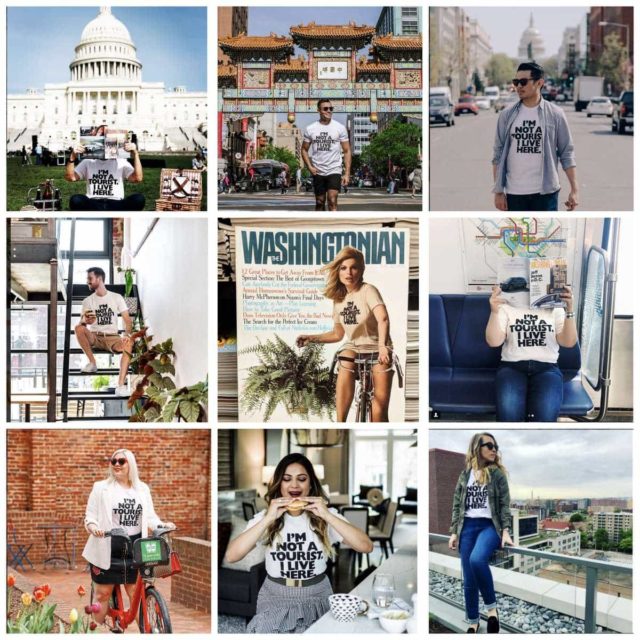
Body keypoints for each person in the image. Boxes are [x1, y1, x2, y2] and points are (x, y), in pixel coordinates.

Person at [225, 453, 372, 633]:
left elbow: (366, 546)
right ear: (280, 485)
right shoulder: (266, 518)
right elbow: (232, 556)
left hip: (318, 596)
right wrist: (268, 518)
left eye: (301, 479)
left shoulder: (327, 515)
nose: (294, 485)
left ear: (310, 485)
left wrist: (326, 515)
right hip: (275, 597)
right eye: (287, 479)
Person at [296, 246, 394, 422]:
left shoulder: (368, 290)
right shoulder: (338, 299)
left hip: (378, 347)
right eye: (343, 268)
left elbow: (383, 319)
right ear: (338, 271)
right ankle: (340, 423)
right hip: (355, 347)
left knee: (379, 410)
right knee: (345, 356)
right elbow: (337, 334)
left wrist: (383, 347)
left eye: (354, 267)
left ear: (361, 270)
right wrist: (311, 338)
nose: (349, 272)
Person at [82, 448, 174, 625]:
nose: (116, 464)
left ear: (130, 464)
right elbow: (90, 516)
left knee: (135, 594)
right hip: (108, 545)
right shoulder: (101, 488)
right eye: (113, 461)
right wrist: (93, 527)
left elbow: (149, 517)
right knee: (102, 593)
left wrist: (163, 525)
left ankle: (147, 629)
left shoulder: (142, 489)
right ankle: (97, 630)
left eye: (121, 461)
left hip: (135, 547)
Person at [492, 62, 578, 212]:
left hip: (546, 193)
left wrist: (574, 190)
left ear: (540, 83)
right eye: (516, 82)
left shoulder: (556, 114)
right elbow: (498, 154)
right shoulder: (506, 115)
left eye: (523, 82)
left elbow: (567, 153)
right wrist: (498, 192)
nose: (519, 86)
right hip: (515, 193)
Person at [448, 432, 512, 634]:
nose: (494, 449)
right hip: (467, 526)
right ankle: (473, 621)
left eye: (496, 447)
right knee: (468, 578)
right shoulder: (465, 474)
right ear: (477, 447)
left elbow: (504, 505)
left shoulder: (498, 475)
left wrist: (506, 530)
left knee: (477, 560)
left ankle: (492, 611)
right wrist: (454, 532)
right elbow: (457, 504)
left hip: (489, 526)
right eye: (489, 445)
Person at [485, 283, 577, 421]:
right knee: (509, 416)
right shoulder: (506, 306)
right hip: (512, 367)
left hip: (547, 367)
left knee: (544, 419)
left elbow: (568, 343)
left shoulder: (555, 307)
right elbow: (493, 342)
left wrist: (569, 309)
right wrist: (494, 311)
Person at [75, 267, 134, 398]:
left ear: (99, 279)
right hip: (95, 337)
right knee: (78, 328)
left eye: (90, 279)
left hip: (113, 338)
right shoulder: (87, 301)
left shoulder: (116, 297)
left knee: (129, 343)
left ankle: (120, 386)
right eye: (87, 279)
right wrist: (85, 320)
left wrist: (126, 335)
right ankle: (92, 363)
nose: (88, 282)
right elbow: (82, 323)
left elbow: (128, 321)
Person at [301, 99, 351, 211]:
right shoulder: (310, 129)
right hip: (318, 171)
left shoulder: (340, 128)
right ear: (318, 110)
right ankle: (320, 227)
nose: (329, 111)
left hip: (334, 169)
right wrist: (309, 167)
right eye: (325, 109)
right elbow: (304, 150)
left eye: (331, 108)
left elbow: (347, 150)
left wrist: (347, 173)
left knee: (332, 200)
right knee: (320, 202)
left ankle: (334, 227)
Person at [65, 142, 145, 211]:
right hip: (94, 202)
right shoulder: (88, 161)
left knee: (139, 199)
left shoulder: (121, 161)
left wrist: (135, 154)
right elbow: (70, 177)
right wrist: (72, 157)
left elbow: (138, 178)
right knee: (75, 199)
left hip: (116, 203)